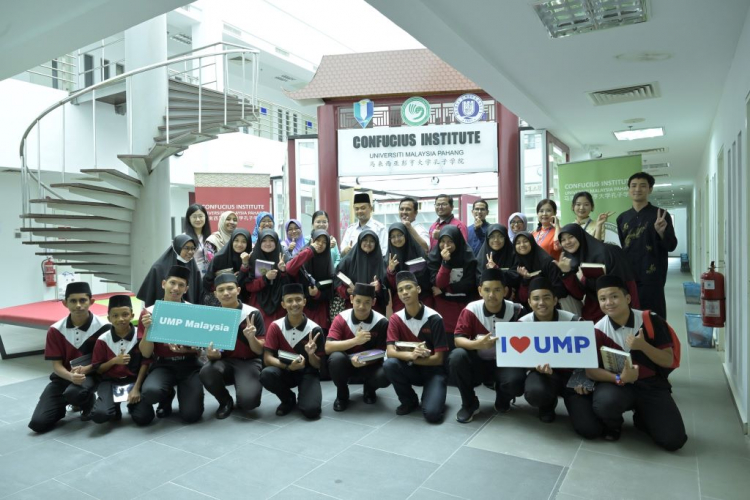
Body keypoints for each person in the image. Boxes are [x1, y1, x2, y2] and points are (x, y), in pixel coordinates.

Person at [584, 275, 687, 450]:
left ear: (628, 298)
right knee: (605, 404)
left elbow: (668, 360)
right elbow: (590, 371)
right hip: (618, 384)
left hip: (650, 384)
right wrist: (619, 378)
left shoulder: (650, 320)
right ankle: (614, 425)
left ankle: (643, 417)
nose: (609, 302)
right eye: (603, 299)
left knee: (674, 440)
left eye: (614, 296)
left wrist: (643, 346)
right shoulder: (597, 330)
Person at [28, 282, 108, 433]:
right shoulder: (55, 330)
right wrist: (70, 377)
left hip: (92, 375)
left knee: (74, 393)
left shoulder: (104, 327)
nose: (78, 305)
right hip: (63, 376)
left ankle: (87, 400)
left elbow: (105, 361)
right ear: (65, 303)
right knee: (38, 424)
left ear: (91, 302)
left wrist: (87, 370)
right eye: (73, 301)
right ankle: (63, 405)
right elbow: (56, 366)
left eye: (83, 300)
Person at [449, 268, 524, 423]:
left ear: (505, 291)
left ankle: (503, 398)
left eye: (497, 290)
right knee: (457, 357)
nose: (492, 295)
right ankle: (469, 403)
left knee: (517, 380)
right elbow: (458, 340)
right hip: (478, 363)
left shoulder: (516, 311)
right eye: (487, 290)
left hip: (505, 364)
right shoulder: (471, 310)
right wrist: (477, 344)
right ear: (480, 291)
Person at [138, 265, 204, 424]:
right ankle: (166, 398)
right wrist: (148, 329)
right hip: (163, 364)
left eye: (181, 285)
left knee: (191, 415)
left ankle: (185, 394)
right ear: (163, 284)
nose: (176, 288)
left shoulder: (193, 311)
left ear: (186, 289)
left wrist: (188, 349)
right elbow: (146, 353)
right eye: (172, 283)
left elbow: (199, 349)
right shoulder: (149, 312)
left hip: (189, 365)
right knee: (151, 392)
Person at [384, 271, 448, 423]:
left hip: (433, 372)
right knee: (390, 364)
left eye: (408, 288)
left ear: (418, 289)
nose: (404, 292)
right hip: (410, 368)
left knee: (432, 415)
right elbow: (390, 352)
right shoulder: (396, 318)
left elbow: (439, 359)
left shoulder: (434, 318)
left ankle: (434, 393)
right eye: (400, 290)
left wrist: (413, 360)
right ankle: (409, 400)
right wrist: (409, 356)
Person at [200, 273, 266, 419]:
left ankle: (243, 388)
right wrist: (212, 354)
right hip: (225, 362)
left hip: (249, 362)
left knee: (248, 403)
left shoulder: (252, 314)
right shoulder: (212, 317)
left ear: (238, 290)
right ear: (215, 294)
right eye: (221, 290)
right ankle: (225, 401)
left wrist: (251, 338)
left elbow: (259, 350)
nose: (226, 293)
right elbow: (214, 353)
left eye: (230, 288)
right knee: (207, 371)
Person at [518, 278, 582, 424]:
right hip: (542, 375)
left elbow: (586, 356)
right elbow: (518, 357)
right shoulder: (522, 324)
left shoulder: (574, 321)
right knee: (535, 392)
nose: (541, 303)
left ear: (555, 300)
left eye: (546, 298)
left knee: (587, 427)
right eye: (536, 299)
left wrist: (583, 378)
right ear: (529, 302)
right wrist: (533, 366)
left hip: (571, 376)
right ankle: (547, 404)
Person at [260, 283, 326, 419]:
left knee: (311, 411)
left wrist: (311, 354)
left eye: (298, 299)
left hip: (307, 372)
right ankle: (288, 399)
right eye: (289, 300)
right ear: (283, 304)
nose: (294, 304)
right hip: (285, 370)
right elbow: (267, 358)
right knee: (266, 374)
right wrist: (287, 366)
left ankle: (305, 397)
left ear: (304, 302)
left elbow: (318, 365)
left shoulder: (315, 329)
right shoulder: (275, 326)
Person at [617, 172, 678, 319]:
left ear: (650, 189)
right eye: (633, 186)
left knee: (654, 316)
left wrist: (661, 232)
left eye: (643, 186)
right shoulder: (622, 218)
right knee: (630, 315)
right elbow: (622, 247)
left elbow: (671, 246)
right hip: (629, 275)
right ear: (628, 189)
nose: (637, 189)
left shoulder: (661, 215)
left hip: (653, 276)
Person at [326, 283, 390, 411]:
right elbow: (328, 347)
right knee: (335, 358)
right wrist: (356, 341)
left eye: (367, 302)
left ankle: (370, 389)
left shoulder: (382, 321)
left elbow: (382, 351)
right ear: (351, 299)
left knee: (387, 371)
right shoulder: (341, 318)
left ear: (374, 302)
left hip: (371, 365)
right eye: (358, 301)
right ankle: (342, 394)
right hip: (347, 364)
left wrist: (364, 360)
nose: (362, 306)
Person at [90, 295, 154, 425]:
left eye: (125, 314)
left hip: (133, 381)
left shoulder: (140, 336)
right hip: (110, 381)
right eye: (115, 316)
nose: (120, 319)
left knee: (144, 418)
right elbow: (98, 369)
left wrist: (136, 388)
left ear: (132, 315)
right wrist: (114, 361)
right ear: (109, 318)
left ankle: (132, 405)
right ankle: (113, 406)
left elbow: (145, 363)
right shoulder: (103, 340)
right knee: (100, 415)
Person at [556, 223, 640, 321]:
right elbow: (579, 294)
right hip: (594, 307)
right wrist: (566, 273)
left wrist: (584, 280)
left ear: (580, 236)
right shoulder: (571, 259)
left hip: (618, 302)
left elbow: (615, 284)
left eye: (571, 237)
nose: (567, 242)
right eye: (563, 240)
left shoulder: (605, 252)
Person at [428, 225, 478, 343]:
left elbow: (469, 284)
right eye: (443, 241)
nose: (446, 245)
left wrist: (446, 290)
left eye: (450, 241)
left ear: (457, 241)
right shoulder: (434, 257)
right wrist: (445, 262)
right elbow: (439, 283)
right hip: (443, 307)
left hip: (464, 306)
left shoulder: (468, 256)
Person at [136, 234, 202, 307]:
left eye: (193, 248)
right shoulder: (158, 268)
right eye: (186, 248)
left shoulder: (194, 268)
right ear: (177, 248)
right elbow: (149, 296)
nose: (190, 252)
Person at [285, 230, 333, 329]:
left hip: (321, 310)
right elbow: (290, 268)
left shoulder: (328, 259)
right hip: (301, 307)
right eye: (318, 240)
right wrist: (310, 250)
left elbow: (332, 290)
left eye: (324, 242)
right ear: (312, 241)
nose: (320, 244)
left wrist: (317, 294)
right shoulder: (304, 254)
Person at [507, 231, 567, 312]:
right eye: (518, 243)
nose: (522, 245)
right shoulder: (517, 264)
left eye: (525, 241)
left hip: (548, 309)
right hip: (525, 311)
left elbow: (559, 289)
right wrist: (525, 280)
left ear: (532, 242)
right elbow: (520, 296)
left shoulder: (547, 262)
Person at [334, 230, 389, 315]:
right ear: (360, 241)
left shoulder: (381, 262)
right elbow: (336, 280)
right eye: (365, 240)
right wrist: (346, 291)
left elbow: (387, 287)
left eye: (372, 241)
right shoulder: (348, 260)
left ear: (376, 243)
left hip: (375, 309)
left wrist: (379, 287)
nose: (368, 243)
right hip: (352, 307)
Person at [244, 229, 291, 327]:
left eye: (271, 240)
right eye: (264, 241)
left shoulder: (284, 258)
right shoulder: (252, 259)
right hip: (258, 303)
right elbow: (249, 286)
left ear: (276, 242)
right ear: (259, 242)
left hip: (280, 305)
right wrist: (265, 278)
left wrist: (283, 271)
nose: (268, 244)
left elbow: (289, 287)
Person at [385, 222, 432, 312]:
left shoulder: (418, 251)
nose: (396, 239)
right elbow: (392, 286)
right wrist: (391, 271)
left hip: (422, 296)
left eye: (399, 235)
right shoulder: (388, 258)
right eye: (393, 237)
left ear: (406, 235)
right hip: (401, 300)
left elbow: (428, 277)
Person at [202, 228, 253, 303]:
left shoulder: (250, 259)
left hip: (244, 301)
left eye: (244, 241)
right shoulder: (219, 258)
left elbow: (249, 283)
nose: (239, 244)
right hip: (221, 300)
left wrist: (245, 264)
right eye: (236, 240)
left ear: (248, 243)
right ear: (231, 241)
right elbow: (207, 281)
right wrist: (225, 279)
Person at [184, 203, 212, 276]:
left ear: (205, 217)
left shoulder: (210, 237)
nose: (198, 219)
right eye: (194, 217)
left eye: (200, 216)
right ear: (189, 218)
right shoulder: (184, 238)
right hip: (190, 275)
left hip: (207, 276)